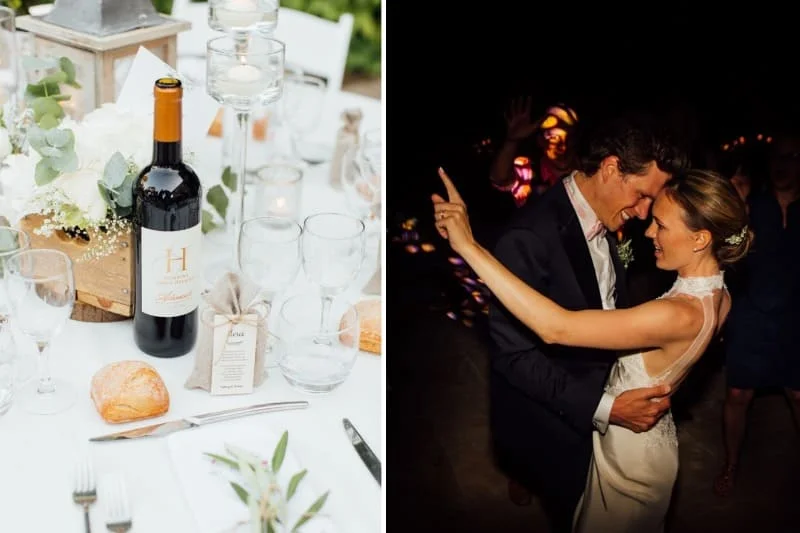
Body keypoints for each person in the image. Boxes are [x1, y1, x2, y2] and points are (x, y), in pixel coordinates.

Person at [432, 166, 752, 532]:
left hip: (628, 462)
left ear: (700, 239)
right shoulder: (719, 296)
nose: (648, 231)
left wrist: (469, 248)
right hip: (644, 444)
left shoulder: (676, 314)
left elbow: (556, 327)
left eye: (661, 225)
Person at [457, 114, 689, 532]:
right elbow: (514, 357)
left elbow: (607, 299)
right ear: (611, 168)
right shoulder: (529, 236)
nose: (643, 213)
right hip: (554, 419)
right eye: (641, 196)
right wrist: (606, 408)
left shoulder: (611, 216)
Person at [714, 134, 800, 497]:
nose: (782, 164)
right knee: (737, 394)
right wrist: (739, 206)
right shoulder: (754, 205)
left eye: (791, 156)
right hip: (751, 313)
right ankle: (731, 466)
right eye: (776, 157)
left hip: (796, 318)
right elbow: (728, 252)